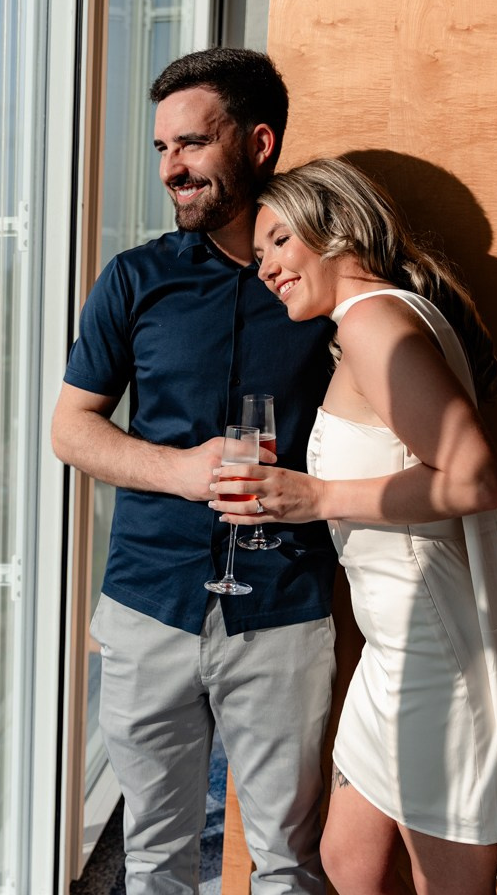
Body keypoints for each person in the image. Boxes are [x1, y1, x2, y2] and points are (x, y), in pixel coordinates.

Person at [208, 158, 497, 895]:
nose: (263, 265)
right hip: (395, 646)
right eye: (258, 250)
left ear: (333, 230)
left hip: (434, 656)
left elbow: (473, 479)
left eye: (277, 241)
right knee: (348, 858)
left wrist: (314, 496)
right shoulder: (372, 322)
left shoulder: (375, 322)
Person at [51, 49, 338, 895]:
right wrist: (182, 471)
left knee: (287, 861)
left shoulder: (319, 282)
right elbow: (72, 430)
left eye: (192, 145)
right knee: (153, 858)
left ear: (257, 142)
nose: (172, 169)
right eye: (161, 150)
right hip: (149, 605)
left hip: (285, 607)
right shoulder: (134, 278)